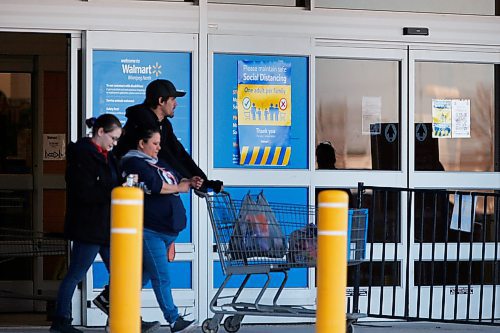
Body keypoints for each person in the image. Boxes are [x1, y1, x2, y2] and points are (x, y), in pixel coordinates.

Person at [93, 78, 223, 314]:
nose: (176, 104)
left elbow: (178, 154)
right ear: (161, 101)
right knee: (150, 270)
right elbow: (166, 161)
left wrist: (203, 180)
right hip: (132, 207)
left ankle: (113, 304)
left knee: (142, 268)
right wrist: (192, 183)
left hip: (147, 209)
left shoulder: (163, 124)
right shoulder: (142, 124)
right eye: (173, 99)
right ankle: (171, 318)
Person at [121, 127, 202, 332]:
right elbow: (156, 185)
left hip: (167, 231)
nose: (159, 148)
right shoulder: (134, 162)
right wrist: (179, 188)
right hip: (151, 230)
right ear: (142, 144)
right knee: (161, 276)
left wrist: (189, 182)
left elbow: (174, 179)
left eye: (159, 143)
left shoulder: (157, 162)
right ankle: (174, 319)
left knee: (142, 277)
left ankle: (116, 311)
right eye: (155, 144)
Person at [50, 114, 123, 333]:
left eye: (118, 139)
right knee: (76, 273)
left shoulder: (107, 156)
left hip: (104, 225)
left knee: (122, 273)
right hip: (89, 226)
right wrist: (112, 192)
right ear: (100, 132)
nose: (115, 143)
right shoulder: (83, 156)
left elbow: (111, 182)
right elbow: (84, 191)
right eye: (113, 137)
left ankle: (124, 315)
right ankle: (61, 321)